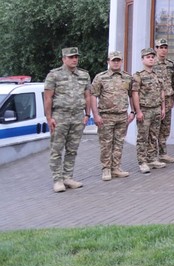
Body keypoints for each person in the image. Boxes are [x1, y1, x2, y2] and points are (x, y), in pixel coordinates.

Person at [44, 47, 95, 192]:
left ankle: (68, 177)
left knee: (72, 149)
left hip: (78, 116)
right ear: (63, 59)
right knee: (56, 149)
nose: (74, 59)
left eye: (76, 57)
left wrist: (87, 114)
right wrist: (49, 118)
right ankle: (57, 180)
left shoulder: (84, 75)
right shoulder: (54, 75)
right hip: (60, 116)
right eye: (71, 57)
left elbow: (87, 95)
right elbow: (48, 98)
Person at [91, 51, 133, 181]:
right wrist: (95, 115)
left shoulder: (127, 77)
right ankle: (106, 169)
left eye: (118, 60)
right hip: (106, 116)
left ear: (121, 61)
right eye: (113, 60)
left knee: (119, 143)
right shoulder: (100, 77)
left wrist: (133, 112)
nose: (116, 63)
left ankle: (116, 168)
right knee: (106, 144)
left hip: (122, 116)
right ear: (108, 62)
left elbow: (131, 95)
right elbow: (93, 96)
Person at [132, 48, 167, 173]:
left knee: (153, 136)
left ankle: (152, 159)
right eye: (148, 57)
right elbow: (135, 94)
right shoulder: (138, 76)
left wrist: (163, 108)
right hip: (145, 110)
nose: (151, 59)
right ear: (142, 59)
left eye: (152, 57)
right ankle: (142, 162)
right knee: (143, 137)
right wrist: (138, 111)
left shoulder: (157, 75)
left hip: (156, 109)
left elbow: (161, 92)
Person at [152, 38, 174, 164]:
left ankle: (163, 154)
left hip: (168, 99)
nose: (163, 50)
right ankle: (152, 156)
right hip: (155, 101)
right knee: (154, 129)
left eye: (165, 47)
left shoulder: (170, 64)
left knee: (165, 129)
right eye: (160, 47)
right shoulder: (152, 63)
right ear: (156, 49)